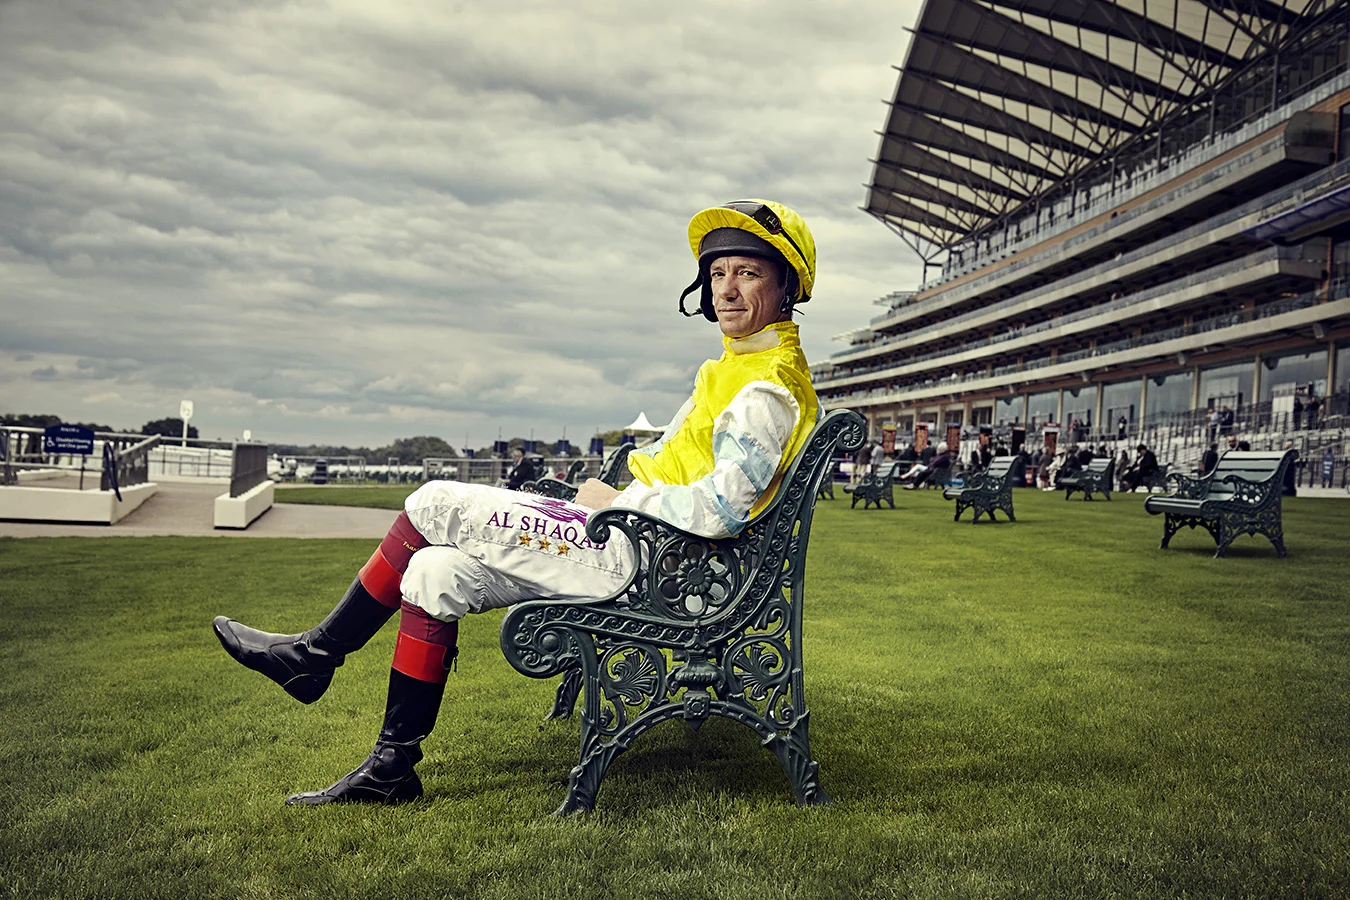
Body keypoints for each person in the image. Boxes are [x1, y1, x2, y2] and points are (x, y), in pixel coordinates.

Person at [211, 199, 821, 806]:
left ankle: (315, 656)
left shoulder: (765, 388)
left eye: (748, 273)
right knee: (431, 572)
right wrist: (619, 497)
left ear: (785, 285)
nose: (728, 290)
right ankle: (391, 767)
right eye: (718, 274)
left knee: (433, 502)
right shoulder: (732, 369)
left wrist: (622, 501)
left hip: (651, 562)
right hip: (641, 546)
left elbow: (722, 509)